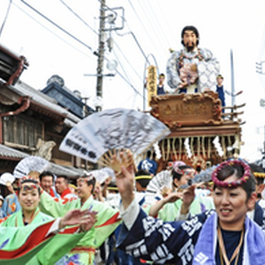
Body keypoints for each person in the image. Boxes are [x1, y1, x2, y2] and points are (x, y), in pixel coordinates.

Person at [115, 156, 265, 264]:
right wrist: (127, 195)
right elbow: (152, 235)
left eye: (233, 194)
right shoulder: (196, 228)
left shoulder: (261, 239)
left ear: (251, 200)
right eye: (218, 193)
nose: (224, 201)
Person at [0, 177, 97, 265]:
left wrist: (80, 231)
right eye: (24, 194)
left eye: (34, 194)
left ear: (39, 198)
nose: (29, 198)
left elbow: (59, 247)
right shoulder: (6, 222)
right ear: (18, 196)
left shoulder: (51, 223)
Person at [39, 173, 121, 265]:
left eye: (81, 185)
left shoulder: (99, 207)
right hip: (66, 252)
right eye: (77, 185)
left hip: (84, 253)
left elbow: (118, 216)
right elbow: (54, 205)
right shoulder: (71, 203)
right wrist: (38, 190)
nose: (78, 188)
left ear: (90, 187)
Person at [167, 25, 219, 94]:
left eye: (192, 36)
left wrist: (199, 67)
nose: (190, 39)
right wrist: (181, 83)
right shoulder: (176, 56)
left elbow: (216, 65)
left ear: (197, 37)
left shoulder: (205, 53)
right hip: (182, 93)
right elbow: (171, 70)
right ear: (182, 38)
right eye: (186, 36)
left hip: (201, 93)